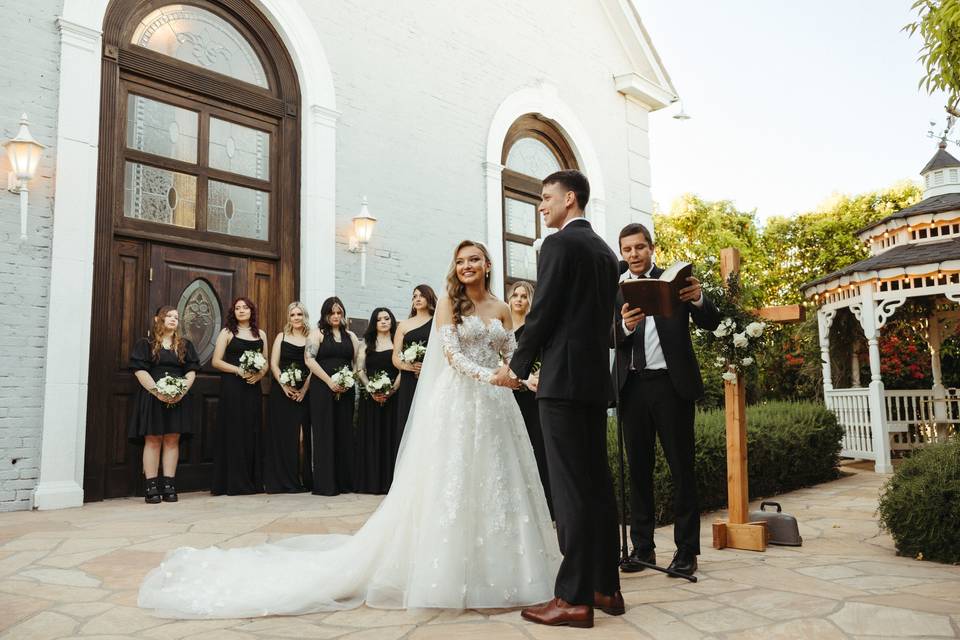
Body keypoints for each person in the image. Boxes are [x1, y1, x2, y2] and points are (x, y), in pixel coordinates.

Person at [138, 239, 558, 618]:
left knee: (495, 482)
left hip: (496, 409)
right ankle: (447, 571)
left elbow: (512, 351)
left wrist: (527, 376)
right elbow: (449, 355)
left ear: (487, 265)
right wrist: (494, 378)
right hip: (460, 403)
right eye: (460, 260)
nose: (467, 266)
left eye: (475, 260)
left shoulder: (501, 308)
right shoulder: (450, 304)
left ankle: (499, 569)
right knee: (450, 484)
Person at [493, 169, 622, 629]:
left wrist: (517, 365)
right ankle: (607, 587)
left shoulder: (558, 245)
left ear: (570, 199)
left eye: (546, 198)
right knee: (597, 488)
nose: (541, 206)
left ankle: (572, 598)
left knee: (569, 493)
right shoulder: (607, 253)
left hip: (562, 384)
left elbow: (544, 311)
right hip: (592, 383)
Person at [613, 222, 721, 578]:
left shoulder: (674, 283)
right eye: (627, 249)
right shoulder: (614, 290)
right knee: (638, 471)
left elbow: (711, 321)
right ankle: (641, 547)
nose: (634, 255)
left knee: (681, 470)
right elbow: (606, 337)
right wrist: (626, 327)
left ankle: (686, 552)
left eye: (639, 248)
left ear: (651, 247)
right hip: (631, 387)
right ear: (622, 252)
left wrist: (700, 298)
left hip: (671, 387)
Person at [128, 306, 200, 503]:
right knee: (153, 439)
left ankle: (169, 485)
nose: (172, 319)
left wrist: (181, 391)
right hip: (153, 397)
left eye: (176, 317)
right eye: (168, 315)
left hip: (178, 398)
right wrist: (157, 392)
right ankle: (151, 487)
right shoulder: (146, 344)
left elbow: (191, 370)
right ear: (157, 319)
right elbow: (139, 371)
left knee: (171, 439)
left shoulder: (184, 345)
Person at [210, 297, 268, 496]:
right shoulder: (227, 333)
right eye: (237, 308)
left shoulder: (261, 334)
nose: (241, 310)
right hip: (233, 387)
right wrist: (238, 371)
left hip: (253, 387)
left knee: (251, 430)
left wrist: (259, 374)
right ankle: (232, 482)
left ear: (252, 311)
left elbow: (266, 362)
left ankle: (252, 481)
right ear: (233, 312)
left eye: (245, 307)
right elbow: (216, 361)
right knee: (234, 430)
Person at [507, 280, 553, 519]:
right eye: (515, 295)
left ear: (530, 301)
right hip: (507, 394)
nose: (519, 299)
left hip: (533, 397)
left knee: (537, 447)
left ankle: (543, 507)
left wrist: (537, 375)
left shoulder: (535, 328)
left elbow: (546, 355)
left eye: (524, 296)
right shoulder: (502, 328)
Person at [304, 296, 359, 496]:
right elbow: (309, 360)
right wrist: (329, 381)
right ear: (325, 314)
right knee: (325, 433)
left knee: (344, 432)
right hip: (322, 389)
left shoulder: (351, 336)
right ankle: (326, 484)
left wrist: (347, 381)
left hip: (345, 390)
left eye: (339, 313)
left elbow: (356, 364)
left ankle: (345, 482)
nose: (336, 316)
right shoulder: (316, 334)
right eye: (332, 313)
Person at [264, 302, 312, 494]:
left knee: (301, 438)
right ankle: (283, 480)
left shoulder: (311, 338)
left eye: (299, 314)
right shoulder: (281, 337)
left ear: (304, 316)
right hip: (282, 393)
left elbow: (312, 366)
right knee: (282, 436)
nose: (296, 318)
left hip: (303, 394)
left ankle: (300, 477)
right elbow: (274, 364)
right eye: (293, 315)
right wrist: (284, 385)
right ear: (288, 317)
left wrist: (304, 390)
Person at [355, 307, 400, 494]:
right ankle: (371, 482)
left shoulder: (398, 342)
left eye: (386, 318)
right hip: (371, 398)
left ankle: (390, 483)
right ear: (374, 322)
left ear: (391, 321)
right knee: (371, 437)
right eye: (379, 319)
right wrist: (371, 388)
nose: (383, 321)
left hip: (393, 397)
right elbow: (360, 370)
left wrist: (391, 390)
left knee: (390, 436)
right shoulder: (366, 343)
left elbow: (401, 370)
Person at [391, 285, 436, 450]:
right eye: (414, 296)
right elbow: (395, 356)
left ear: (429, 298)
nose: (417, 299)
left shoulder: (437, 322)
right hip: (409, 381)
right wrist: (409, 367)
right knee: (408, 421)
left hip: (432, 379)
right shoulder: (403, 325)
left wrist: (428, 367)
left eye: (421, 295)